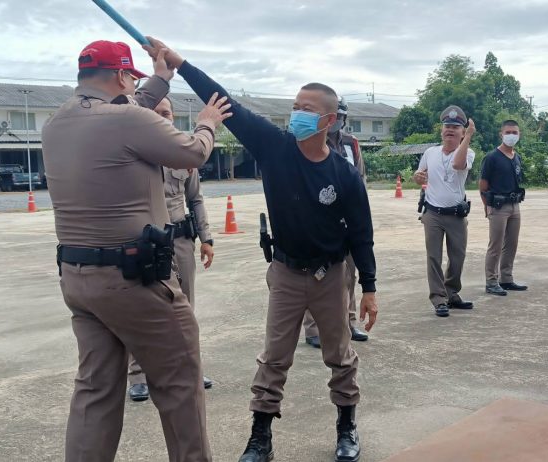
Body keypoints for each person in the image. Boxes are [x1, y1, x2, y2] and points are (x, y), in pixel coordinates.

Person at [143, 36, 379, 462]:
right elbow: (224, 101)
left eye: (307, 108)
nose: (297, 113)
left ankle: (346, 426)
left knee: (340, 356)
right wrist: (179, 63)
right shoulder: (274, 147)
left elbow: (362, 234)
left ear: (328, 120)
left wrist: (370, 288)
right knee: (274, 358)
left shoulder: (344, 175)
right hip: (286, 273)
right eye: (295, 105)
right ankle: (260, 438)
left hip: (330, 275)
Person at [41, 40, 231, 462]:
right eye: (132, 78)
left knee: (95, 390)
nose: (133, 86)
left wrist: (161, 79)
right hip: (133, 278)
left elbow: (128, 112)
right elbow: (192, 153)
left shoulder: (56, 123)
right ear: (121, 76)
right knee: (180, 382)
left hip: (79, 278)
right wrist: (207, 123)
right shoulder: (126, 119)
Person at [127, 96, 217, 402]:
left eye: (166, 113)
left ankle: (189, 369)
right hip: (145, 242)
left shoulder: (184, 152)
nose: (162, 117)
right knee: (143, 309)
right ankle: (138, 375)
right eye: (155, 112)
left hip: (180, 240)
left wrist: (206, 238)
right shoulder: (132, 152)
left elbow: (196, 199)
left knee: (185, 310)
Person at [303, 96, 369, 347]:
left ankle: (348, 322)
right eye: (334, 116)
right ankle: (313, 329)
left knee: (348, 274)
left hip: (346, 219)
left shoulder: (352, 143)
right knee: (314, 274)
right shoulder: (308, 142)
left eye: (340, 117)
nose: (336, 121)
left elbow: (360, 178)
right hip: (316, 221)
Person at [412, 106, 477, 317]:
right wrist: (418, 177)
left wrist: (468, 137)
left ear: (462, 132)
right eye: (447, 126)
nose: (450, 130)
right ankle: (439, 298)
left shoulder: (468, 152)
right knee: (434, 257)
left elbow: (458, 165)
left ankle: (452, 293)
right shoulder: (430, 153)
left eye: (455, 128)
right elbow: (419, 175)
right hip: (433, 213)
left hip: (456, 215)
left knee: (457, 257)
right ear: (441, 130)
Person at [479, 119, 529, 296]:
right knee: (496, 245)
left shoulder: (517, 157)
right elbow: (483, 186)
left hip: (514, 205)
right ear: (501, 134)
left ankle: (506, 279)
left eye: (515, 132)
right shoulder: (491, 157)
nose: (511, 135)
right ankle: (491, 281)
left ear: (519, 134)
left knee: (511, 244)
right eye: (508, 132)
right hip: (498, 207)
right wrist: (487, 207)